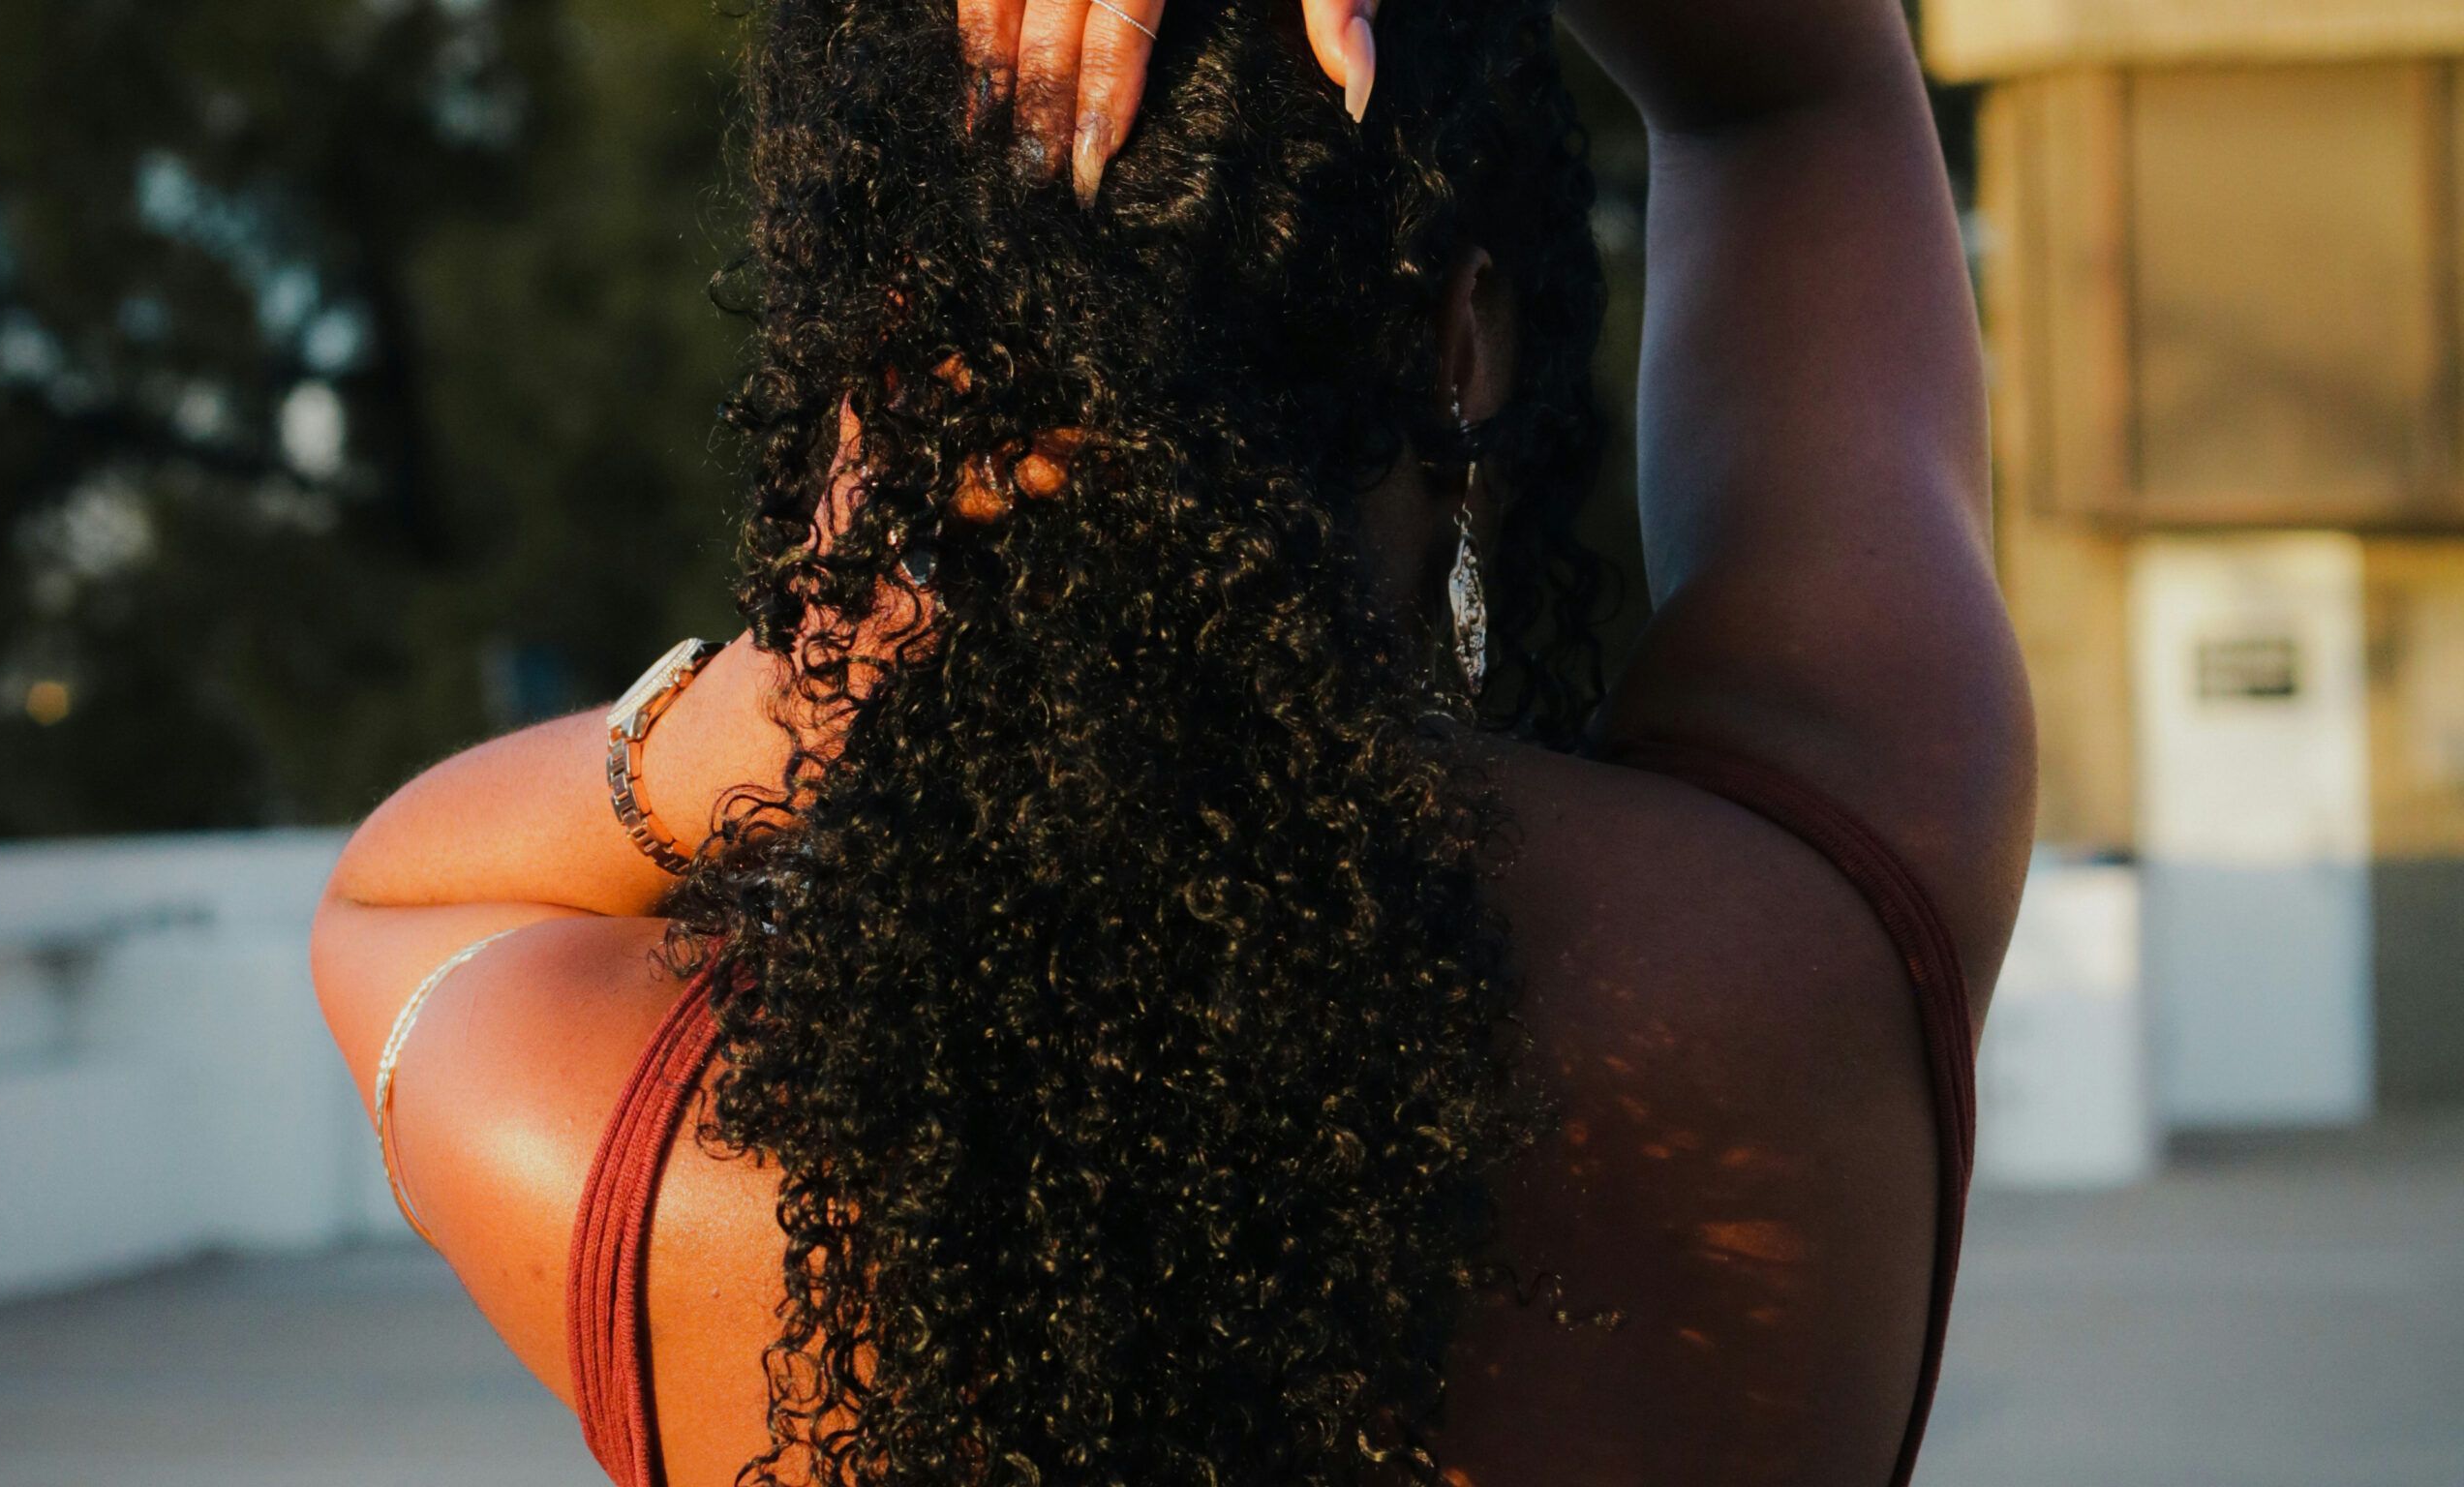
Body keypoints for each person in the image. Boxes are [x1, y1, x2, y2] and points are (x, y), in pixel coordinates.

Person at [311, 1, 2034, 1484]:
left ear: (878, 388)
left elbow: (386, 905)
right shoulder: (1814, 921)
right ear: (1464, 339)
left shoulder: (636, 1139)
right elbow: (1798, 94)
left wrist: (809, 684)